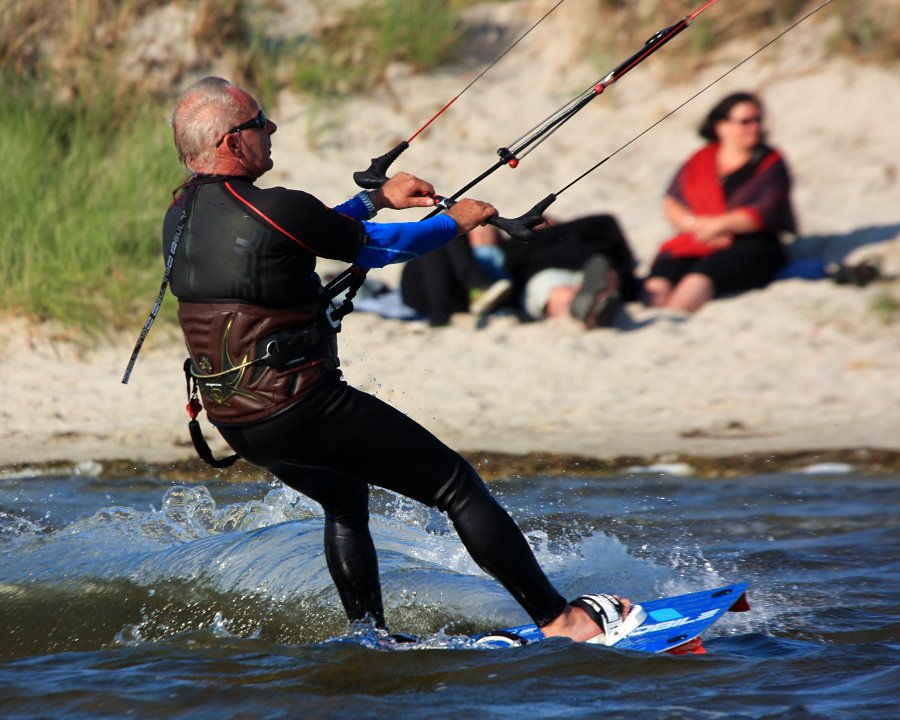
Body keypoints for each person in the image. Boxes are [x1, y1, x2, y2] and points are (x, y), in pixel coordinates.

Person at [162, 76, 629, 642]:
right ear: (233, 142)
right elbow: (383, 248)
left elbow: (296, 235)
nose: (271, 128)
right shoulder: (273, 206)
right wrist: (458, 221)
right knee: (455, 485)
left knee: (344, 498)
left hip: (237, 421)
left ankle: (370, 636)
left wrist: (375, 199)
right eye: (259, 121)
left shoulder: (182, 211)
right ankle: (562, 620)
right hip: (300, 406)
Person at [643, 92, 797, 313]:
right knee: (659, 281)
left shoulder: (770, 161)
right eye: (745, 122)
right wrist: (696, 226)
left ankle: (672, 315)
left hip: (750, 243)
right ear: (721, 126)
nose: (754, 127)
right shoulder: (701, 159)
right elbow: (672, 201)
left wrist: (719, 225)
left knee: (697, 279)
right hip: (697, 238)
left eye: (757, 121)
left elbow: (765, 210)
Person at [504, 214, 641, 328]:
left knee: (603, 272)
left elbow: (607, 223)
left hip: (589, 269)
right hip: (548, 276)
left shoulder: (576, 230)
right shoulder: (516, 244)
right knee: (561, 293)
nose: (540, 221)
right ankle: (590, 310)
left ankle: (590, 308)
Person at [399, 224, 513, 327]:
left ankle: (442, 312)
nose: (482, 234)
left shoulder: (497, 256)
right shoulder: (460, 254)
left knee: (443, 232)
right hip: (436, 289)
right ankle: (476, 288)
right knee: (446, 230)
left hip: (446, 297)